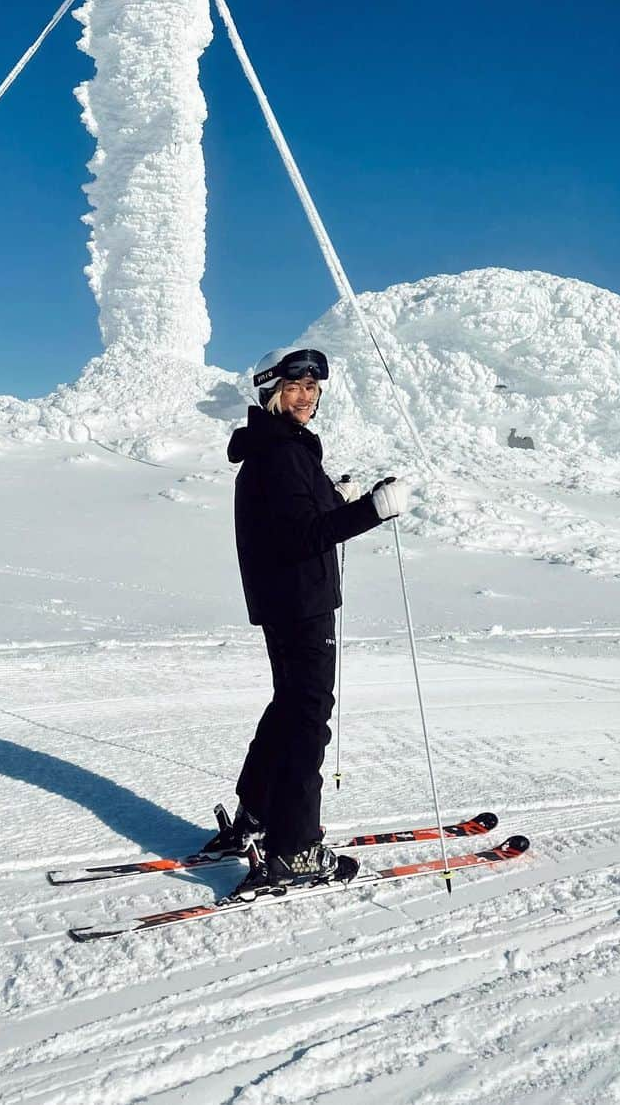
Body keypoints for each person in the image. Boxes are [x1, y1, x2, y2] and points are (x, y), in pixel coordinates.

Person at [207, 346, 411, 890]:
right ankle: (293, 849)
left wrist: (336, 496)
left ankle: (255, 813)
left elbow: (295, 517)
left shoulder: (277, 448)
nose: (306, 396)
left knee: (289, 707)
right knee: (306, 719)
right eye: (294, 387)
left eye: (313, 388)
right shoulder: (282, 452)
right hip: (301, 603)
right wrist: (372, 510)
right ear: (271, 392)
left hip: (287, 600)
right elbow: (301, 537)